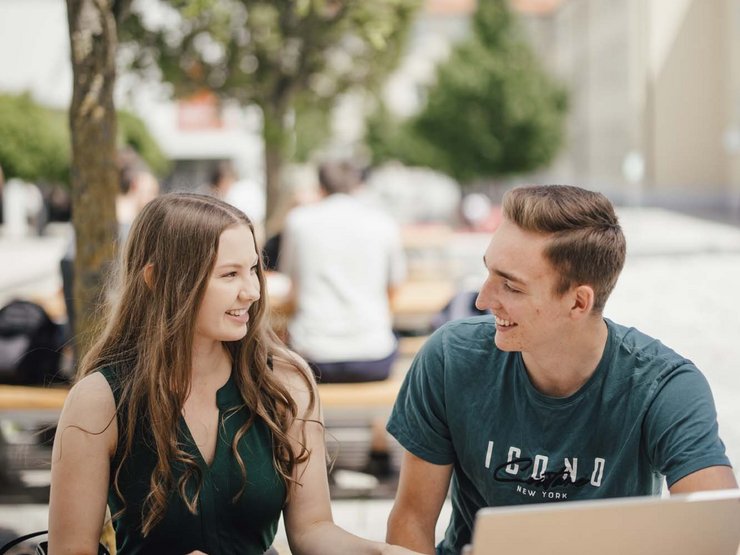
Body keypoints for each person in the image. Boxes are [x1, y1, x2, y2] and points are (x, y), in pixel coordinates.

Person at [48, 193, 422, 555]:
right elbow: (71, 550)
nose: (253, 291)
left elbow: (312, 529)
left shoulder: (286, 383)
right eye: (229, 274)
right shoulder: (99, 400)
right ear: (157, 279)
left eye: (254, 270)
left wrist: (379, 551)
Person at [385, 184, 737, 555]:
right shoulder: (451, 357)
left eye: (511, 286)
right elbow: (411, 520)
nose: (482, 299)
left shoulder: (662, 386)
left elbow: (713, 531)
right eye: (488, 273)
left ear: (578, 301)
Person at [279, 160, 406, 384]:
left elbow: (293, 289)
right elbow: (394, 289)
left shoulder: (299, 221)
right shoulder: (383, 222)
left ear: (320, 186)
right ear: (357, 184)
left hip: (313, 355)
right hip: (373, 355)